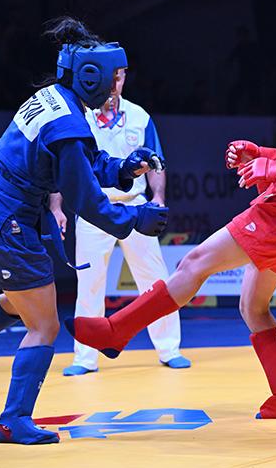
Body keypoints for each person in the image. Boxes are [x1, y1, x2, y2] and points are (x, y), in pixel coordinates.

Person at [67, 22, 276, 420]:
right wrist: (259, 154)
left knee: (194, 263)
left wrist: (271, 170)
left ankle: (116, 331)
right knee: (253, 307)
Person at [0, 17, 169, 444]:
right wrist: (136, 220)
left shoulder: (52, 99)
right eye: (113, 79)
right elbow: (86, 201)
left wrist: (123, 167)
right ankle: (13, 420)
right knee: (44, 325)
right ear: (91, 77)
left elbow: (83, 164)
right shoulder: (68, 124)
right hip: (6, 225)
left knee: (20, 298)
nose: (114, 90)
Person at [51, 68, 190, 376]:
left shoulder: (139, 116)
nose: (115, 83)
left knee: (155, 279)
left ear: (125, 77)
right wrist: (57, 208)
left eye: (121, 76)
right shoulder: (80, 117)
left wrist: (158, 197)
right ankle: (85, 357)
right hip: (92, 207)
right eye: (110, 76)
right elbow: (64, 166)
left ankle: (169, 348)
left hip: (135, 205)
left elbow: (156, 163)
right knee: (89, 282)